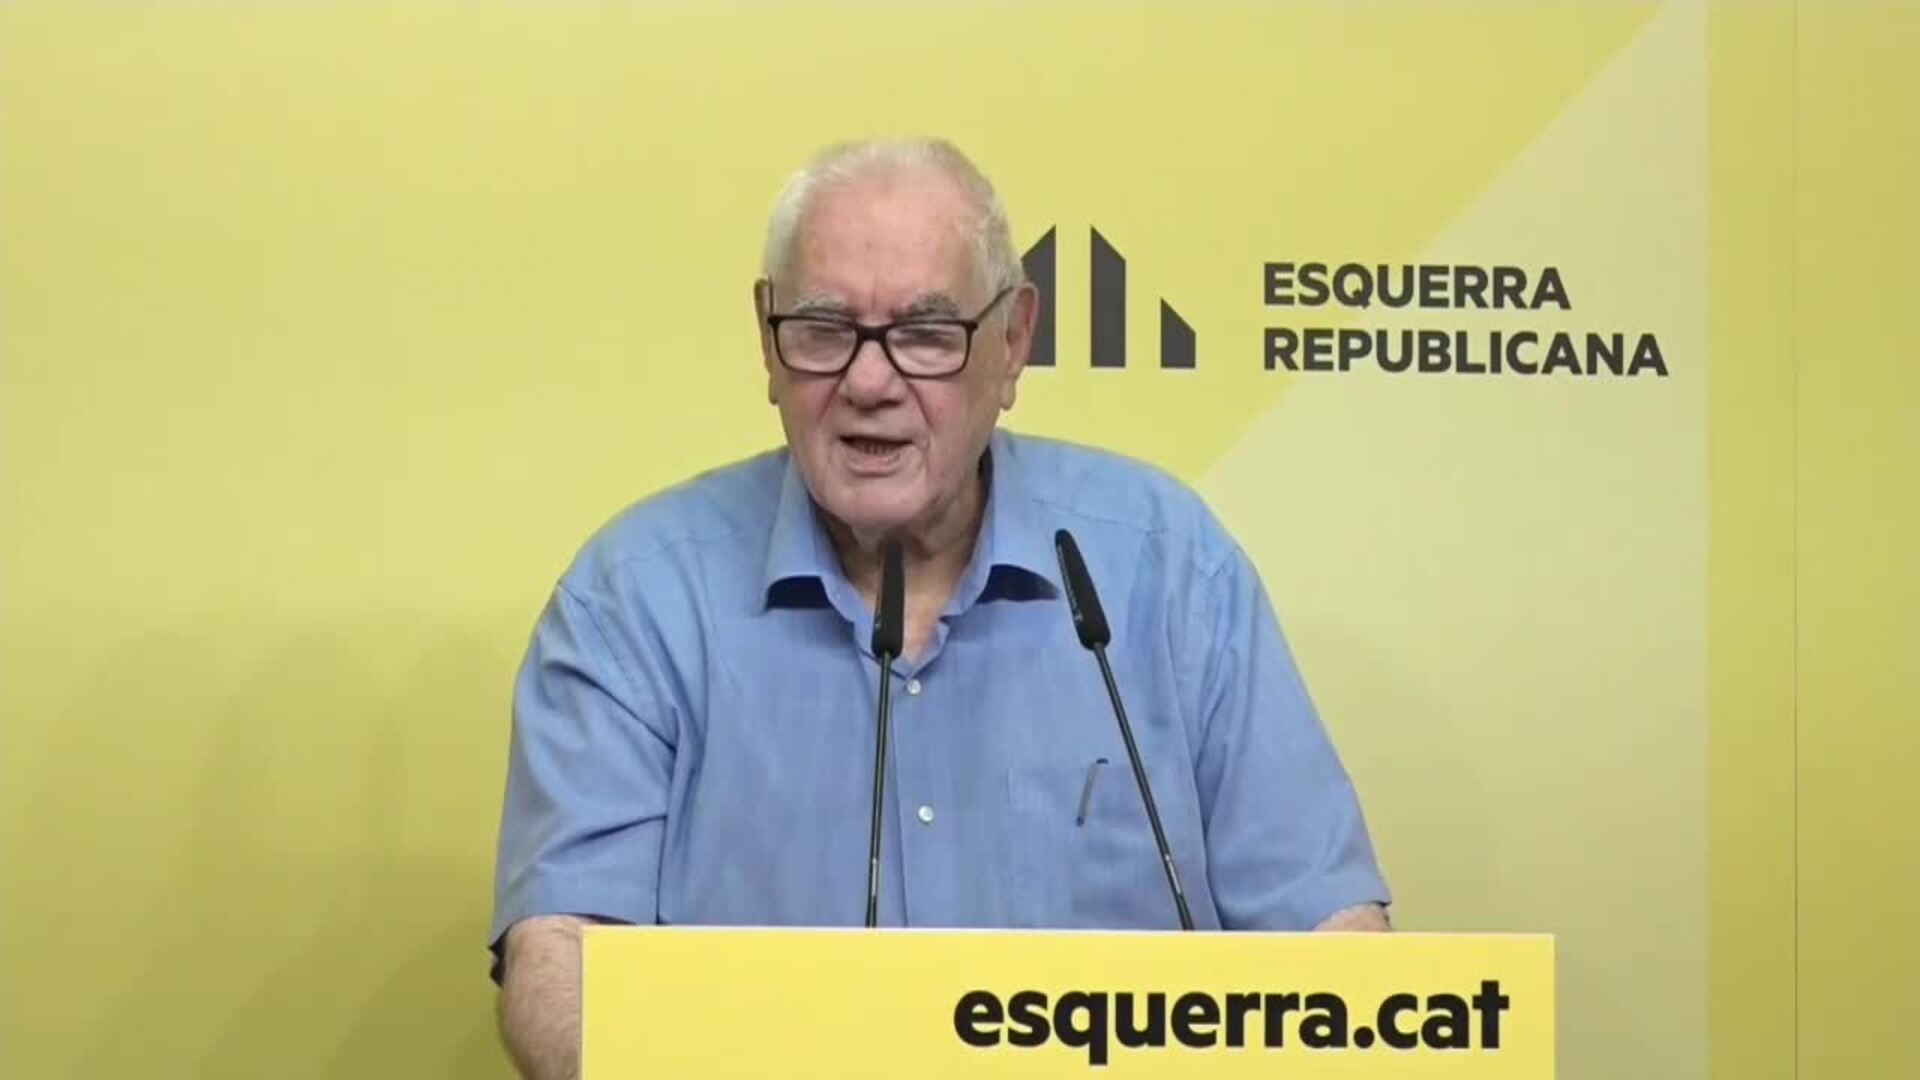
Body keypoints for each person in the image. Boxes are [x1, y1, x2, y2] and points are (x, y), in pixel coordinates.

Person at [488, 137, 1390, 1079]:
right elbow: (564, 959)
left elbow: (1333, 941)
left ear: (1014, 341)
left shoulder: (1167, 567)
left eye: (925, 334)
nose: (870, 383)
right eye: (823, 329)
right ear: (766, 338)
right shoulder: (634, 599)